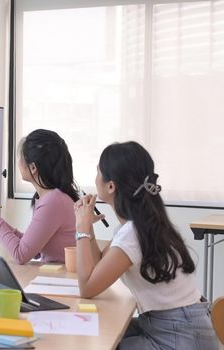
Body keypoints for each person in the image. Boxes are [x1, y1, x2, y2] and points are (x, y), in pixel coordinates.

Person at [74, 141, 218, 349]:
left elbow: (87, 287)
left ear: (111, 186)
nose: (95, 176)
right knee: (103, 332)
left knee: (100, 341)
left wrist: (81, 228)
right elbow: (97, 268)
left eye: (98, 171)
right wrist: (88, 228)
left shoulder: (132, 235)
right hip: (181, 325)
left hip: (180, 335)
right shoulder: (140, 226)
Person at [0, 129, 79, 264]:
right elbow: (33, 249)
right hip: (55, 276)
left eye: (20, 158)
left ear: (33, 167)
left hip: (61, 279)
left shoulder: (53, 201)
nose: (18, 163)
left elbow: (20, 254)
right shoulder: (51, 198)